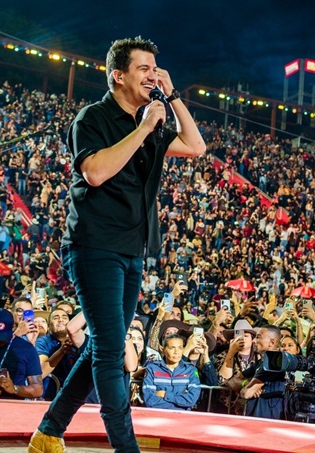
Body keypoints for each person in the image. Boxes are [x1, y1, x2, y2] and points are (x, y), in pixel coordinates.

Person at [29, 36, 206, 453]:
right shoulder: (93, 118)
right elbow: (94, 172)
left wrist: (174, 96)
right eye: (143, 68)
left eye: (155, 69)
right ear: (118, 75)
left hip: (132, 248)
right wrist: (144, 127)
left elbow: (196, 146)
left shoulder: (151, 122)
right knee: (110, 350)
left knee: (99, 348)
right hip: (94, 245)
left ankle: (50, 430)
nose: (152, 75)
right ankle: (126, 448)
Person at [142, 333, 201, 410]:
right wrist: (180, 403)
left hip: (182, 417)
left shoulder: (190, 370)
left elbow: (191, 400)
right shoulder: (152, 368)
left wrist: (165, 395)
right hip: (158, 415)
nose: (176, 352)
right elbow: (149, 400)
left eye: (180, 348)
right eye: (172, 348)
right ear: (163, 350)